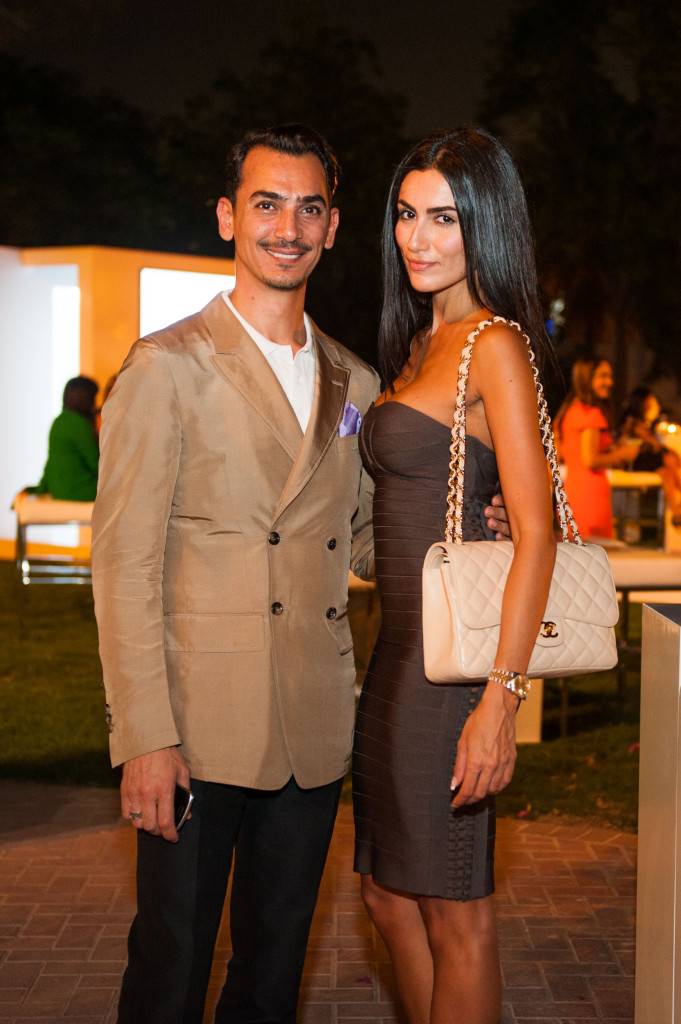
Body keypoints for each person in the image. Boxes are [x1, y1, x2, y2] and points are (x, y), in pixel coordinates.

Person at [92, 121, 513, 1024]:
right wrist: (143, 737)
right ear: (226, 217)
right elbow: (122, 566)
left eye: (308, 208)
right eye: (266, 204)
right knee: (169, 971)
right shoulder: (165, 367)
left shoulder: (354, 383)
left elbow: (363, 543)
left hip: (313, 735)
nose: (287, 227)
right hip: (196, 731)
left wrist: (473, 525)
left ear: (331, 227)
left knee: (272, 976)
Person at [352, 127, 558, 1024]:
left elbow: (536, 535)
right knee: (386, 896)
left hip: (453, 680)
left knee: (455, 914)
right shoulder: (418, 342)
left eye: (444, 218)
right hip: (394, 661)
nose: (417, 237)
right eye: (406, 214)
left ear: (486, 225)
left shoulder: (494, 344)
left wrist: (499, 703)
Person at [554, 358, 639, 539]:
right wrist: (623, 454)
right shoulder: (591, 414)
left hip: (571, 491)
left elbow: (561, 452)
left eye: (610, 376)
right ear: (587, 378)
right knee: (596, 550)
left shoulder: (570, 410)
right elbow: (590, 460)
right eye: (603, 376)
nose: (610, 382)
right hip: (591, 494)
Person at [27, 375, 99, 501]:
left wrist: (40, 489)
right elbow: (97, 464)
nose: (95, 404)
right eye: (93, 398)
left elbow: (51, 462)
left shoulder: (58, 422)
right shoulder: (79, 424)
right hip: (81, 491)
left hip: (58, 491)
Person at [618, 386, 681, 526]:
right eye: (651, 400)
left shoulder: (647, 424)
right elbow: (650, 444)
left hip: (649, 462)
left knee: (666, 473)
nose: (655, 404)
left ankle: (676, 512)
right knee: (669, 459)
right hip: (635, 461)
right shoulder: (632, 422)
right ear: (643, 403)